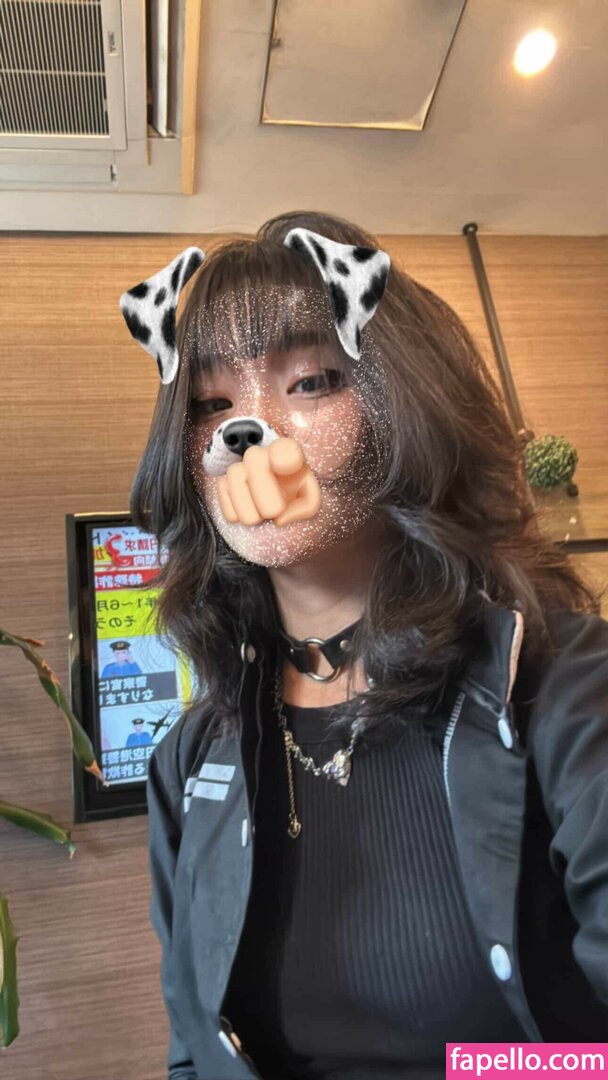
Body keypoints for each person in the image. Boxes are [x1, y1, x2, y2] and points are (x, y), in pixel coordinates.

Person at [120, 210, 608, 1080]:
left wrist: (491, 1069)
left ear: (404, 404)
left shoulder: (563, 689)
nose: (250, 430)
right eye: (211, 405)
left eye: (311, 382)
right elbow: (193, 1053)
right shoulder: (190, 761)